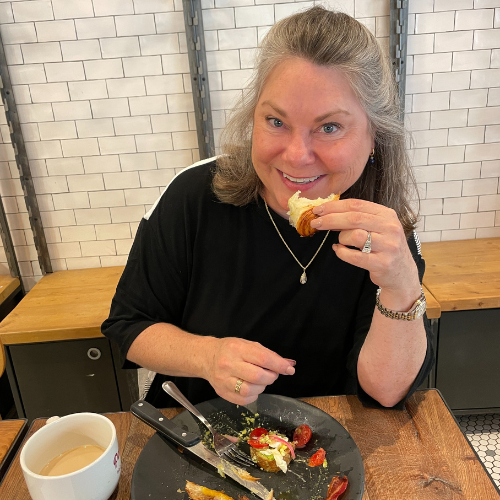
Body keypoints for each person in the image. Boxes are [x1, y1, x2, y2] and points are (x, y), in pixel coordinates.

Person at [102, 6, 434, 410]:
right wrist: (207, 356)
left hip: (328, 447)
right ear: (253, 115)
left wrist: (401, 284)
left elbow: (386, 391)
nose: (296, 157)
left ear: (374, 136)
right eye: (276, 121)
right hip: (202, 435)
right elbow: (129, 325)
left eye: (329, 128)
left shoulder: (384, 233)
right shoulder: (194, 197)